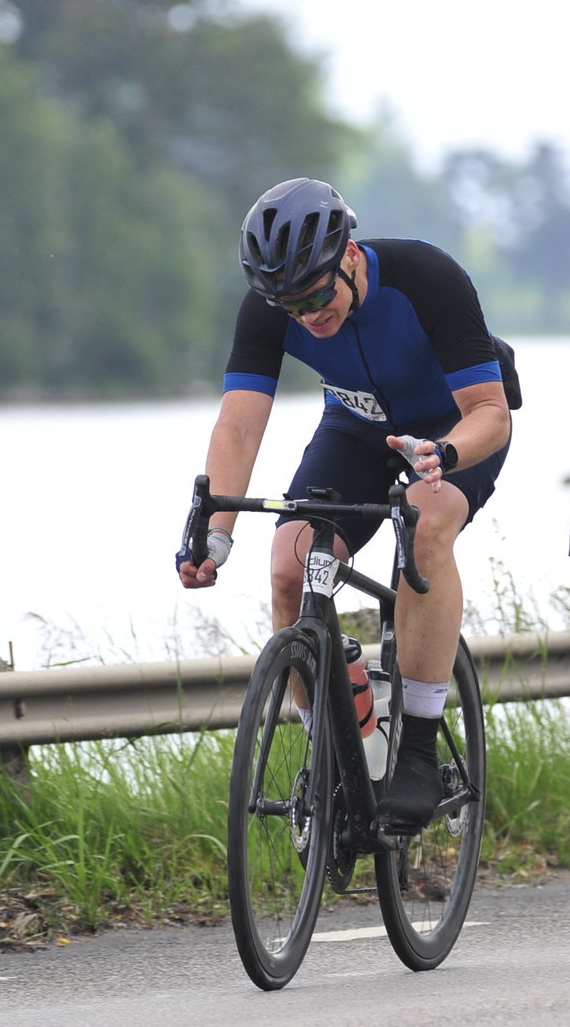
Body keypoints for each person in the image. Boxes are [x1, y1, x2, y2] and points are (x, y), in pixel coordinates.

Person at [178, 178, 512, 830]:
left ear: (350, 257)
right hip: (356, 432)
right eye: (289, 305)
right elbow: (238, 427)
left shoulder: (426, 277)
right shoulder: (270, 308)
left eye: (317, 296)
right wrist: (215, 532)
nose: (307, 316)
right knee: (289, 566)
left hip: (451, 431)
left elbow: (490, 414)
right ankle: (331, 756)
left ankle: (418, 751)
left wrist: (443, 454)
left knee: (423, 529)